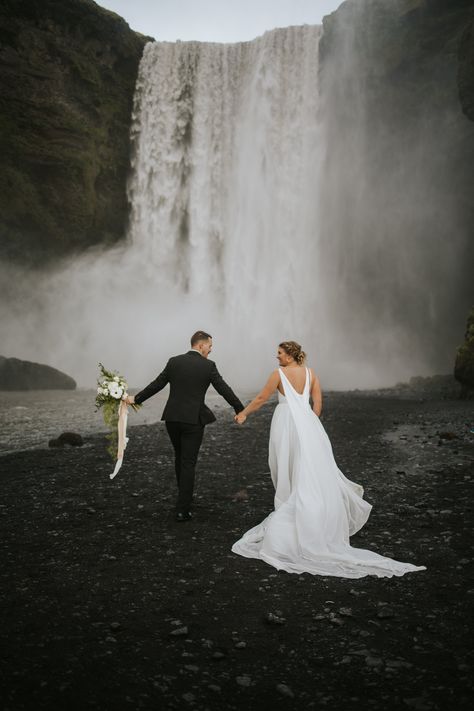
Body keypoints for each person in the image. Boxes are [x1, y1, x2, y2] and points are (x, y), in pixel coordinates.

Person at [232, 341, 426, 578]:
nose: (277, 357)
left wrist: (243, 413)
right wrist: (309, 424)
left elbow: (262, 398)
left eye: (280, 353)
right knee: (310, 468)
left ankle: (290, 508)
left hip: (285, 423)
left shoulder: (278, 374)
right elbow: (318, 403)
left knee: (286, 464)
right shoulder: (312, 374)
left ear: (290, 355)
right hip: (308, 424)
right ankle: (309, 511)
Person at [126, 331, 243, 521]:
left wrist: (135, 399)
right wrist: (239, 409)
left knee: (180, 458)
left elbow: (157, 385)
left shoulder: (174, 362)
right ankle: (183, 510)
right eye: (210, 346)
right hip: (192, 420)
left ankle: (183, 498)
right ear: (200, 345)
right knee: (188, 463)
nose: (211, 349)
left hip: (172, 418)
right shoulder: (208, 366)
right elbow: (224, 389)